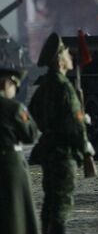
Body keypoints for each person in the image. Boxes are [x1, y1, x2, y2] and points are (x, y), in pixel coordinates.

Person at [29, 33, 92, 234]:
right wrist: (86, 149)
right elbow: (75, 125)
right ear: (59, 60)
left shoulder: (45, 85)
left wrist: (50, 126)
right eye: (66, 53)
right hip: (64, 154)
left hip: (49, 152)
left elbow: (33, 111)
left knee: (50, 204)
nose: (70, 56)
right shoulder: (64, 87)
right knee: (61, 207)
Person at [0, 63, 39, 234]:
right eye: (14, 85)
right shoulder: (14, 108)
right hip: (10, 165)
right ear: (5, 84)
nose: (15, 90)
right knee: (16, 212)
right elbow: (30, 134)